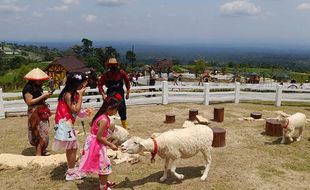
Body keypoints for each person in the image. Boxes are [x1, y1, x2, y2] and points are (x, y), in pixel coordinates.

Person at [79, 93, 121, 190]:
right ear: (110, 108)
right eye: (116, 109)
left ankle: (104, 182)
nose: (116, 112)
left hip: (93, 143)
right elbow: (99, 137)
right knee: (104, 166)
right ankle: (103, 187)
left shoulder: (100, 114)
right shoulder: (104, 120)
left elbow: (91, 124)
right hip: (97, 145)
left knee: (100, 164)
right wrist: (111, 144)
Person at [52, 72, 88, 181]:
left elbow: (75, 111)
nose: (83, 86)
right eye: (82, 83)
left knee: (71, 147)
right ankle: (71, 173)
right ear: (76, 84)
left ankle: (71, 168)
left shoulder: (70, 93)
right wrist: (81, 95)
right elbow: (75, 109)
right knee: (73, 147)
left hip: (65, 123)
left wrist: (84, 113)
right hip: (64, 124)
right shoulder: (68, 94)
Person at [22, 68, 52, 156]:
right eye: (40, 80)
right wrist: (43, 96)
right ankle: (38, 153)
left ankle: (42, 150)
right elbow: (29, 101)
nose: (42, 81)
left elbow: (39, 99)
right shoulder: (28, 88)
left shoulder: (37, 86)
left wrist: (46, 96)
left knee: (44, 131)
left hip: (41, 110)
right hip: (34, 112)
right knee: (38, 132)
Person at [98, 58, 130, 129]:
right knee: (107, 110)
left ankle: (125, 126)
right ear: (109, 66)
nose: (113, 66)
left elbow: (127, 81)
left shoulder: (121, 73)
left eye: (114, 65)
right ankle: (105, 126)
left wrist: (128, 92)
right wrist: (102, 94)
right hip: (110, 95)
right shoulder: (106, 75)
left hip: (120, 94)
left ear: (117, 65)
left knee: (122, 110)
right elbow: (100, 84)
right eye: (111, 65)